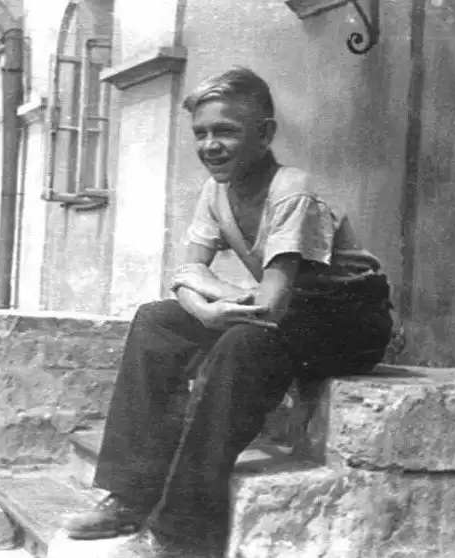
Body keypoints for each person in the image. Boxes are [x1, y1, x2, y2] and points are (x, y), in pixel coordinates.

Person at [62, 67, 393, 558]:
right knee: (156, 321)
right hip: (291, 308)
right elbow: (187, 273)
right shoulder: (215, 191)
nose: (210, 146)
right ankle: (130, 496)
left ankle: (181, 535)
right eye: (201, 133)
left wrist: (211, 295)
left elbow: (269, 305)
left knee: (244, 341)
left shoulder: (292, 189)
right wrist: (204, 307)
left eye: (226, 131)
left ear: (264, 134)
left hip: (348, 319)